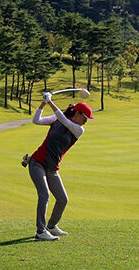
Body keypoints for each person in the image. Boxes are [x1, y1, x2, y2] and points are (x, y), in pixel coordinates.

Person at [25, 92, 94, 241]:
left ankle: (51, 226)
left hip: (52, 168)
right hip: (37, 162)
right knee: (44, 195)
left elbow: (64, 120)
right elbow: (36, 120)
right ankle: (40, 231)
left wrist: (51, 102)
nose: (86, 121)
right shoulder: (57, 119)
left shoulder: (78, 130)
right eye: (85, 118)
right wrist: (44, 103)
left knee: (62, 199)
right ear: (78, 113)